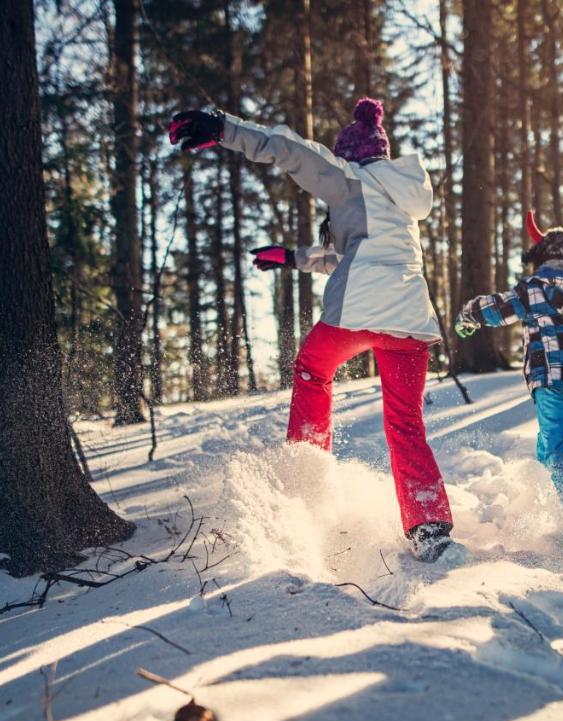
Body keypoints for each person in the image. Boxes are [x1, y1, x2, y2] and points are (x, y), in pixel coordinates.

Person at [168, 98, 455, 562]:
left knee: (311, 371)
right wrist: (292, 257)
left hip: (357, 312)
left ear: (350, 154)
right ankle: (430, 523)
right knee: (405, 422)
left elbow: (292, 150)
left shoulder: (348, 177)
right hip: (410, 322)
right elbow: (350, 255)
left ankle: (307, 474)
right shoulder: (403, 202)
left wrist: (223, 128)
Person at [454, 212, 563, 547]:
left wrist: (470, 314)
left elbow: (499, 307)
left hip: (552, 377)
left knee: (560, 446)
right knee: (553, 441)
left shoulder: (536, 288)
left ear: (541, 256)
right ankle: (556, 500)